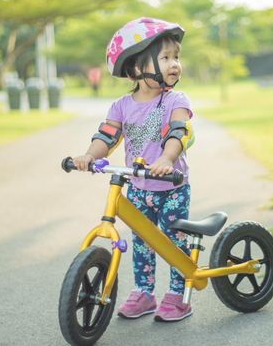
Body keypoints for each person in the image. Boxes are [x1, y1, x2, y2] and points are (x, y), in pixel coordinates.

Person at [72, 17, 195, 322]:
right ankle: (144, 292)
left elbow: (178, 131)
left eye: (176, 57)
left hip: (172, 188)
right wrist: (88, 155)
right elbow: (107, 136)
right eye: (165, 57)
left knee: (172, 241)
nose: (174, 64)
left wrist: (167, 159)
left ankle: (179, 295)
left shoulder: (176, 99)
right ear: (135, 68)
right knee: (142, 243)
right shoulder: (121, 106)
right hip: (139, 187)